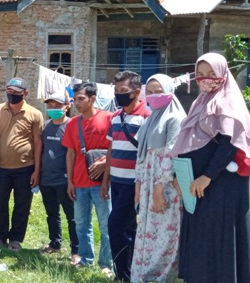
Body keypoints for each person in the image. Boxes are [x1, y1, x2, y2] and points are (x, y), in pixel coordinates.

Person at [172, 53, 250, 283]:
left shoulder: (229, 102)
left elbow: (229, 143)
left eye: (211, 74)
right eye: (201, 74)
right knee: (200, 236)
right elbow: (187, 142)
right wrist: (179, 174)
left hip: (222, 185)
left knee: (219, 237)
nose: (206, 79)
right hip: (196, 184)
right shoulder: (200, 102)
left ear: (223, 75)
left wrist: (207, 176)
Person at [131, 74, 185, 282]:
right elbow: (141, 155)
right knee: (146, 232)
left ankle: (160, 277)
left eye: (159, 91)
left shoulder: (176, 119)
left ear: (170, 91)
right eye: (150, 92)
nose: (154, 96)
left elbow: (171, 154)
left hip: (165, 186)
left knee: (164, 233)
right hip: (147, 185)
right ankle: (142, 275)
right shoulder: (149, 121)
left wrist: (159, 189)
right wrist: (138, 186)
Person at [101, 71, 151, 282]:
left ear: (137, 92)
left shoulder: (147, 117)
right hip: (117, 180)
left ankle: (122, 275)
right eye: (116, 91)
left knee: (116, 225)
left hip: (135, 182)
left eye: (124, 91)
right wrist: (106, 179)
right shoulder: (115, 116)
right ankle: (129, 273)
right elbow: (111, 149)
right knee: (128, 229)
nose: (119, 95)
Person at [61, 82, 113, 274]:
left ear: (92, 98)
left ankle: (106, 263)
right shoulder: (73, 123)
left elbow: (114, 148)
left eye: (81, 99)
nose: (77, 103)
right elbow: (70, 153)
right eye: (74, 99)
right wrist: (70, 181)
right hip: (79, 182)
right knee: (81, 224)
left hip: (102, 183)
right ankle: (86, 258)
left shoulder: (109, 119)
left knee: (106, 225)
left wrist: (106, 166)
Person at [0, 77, 43, 252]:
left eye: (16, 92)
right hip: (0, 168)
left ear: (25, 93)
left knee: (22, 204)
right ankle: (0, 236)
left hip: (25, 168)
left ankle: (15, 238)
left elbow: (38, 143)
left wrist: (37, 170)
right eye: (9, 91)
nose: (12, 95)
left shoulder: (35, 114)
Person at [38, 91, 79, 264]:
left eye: (57, 105)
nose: (53, 108)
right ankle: (55, 243)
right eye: (50, 105)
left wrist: (71, 180)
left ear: (67, 106)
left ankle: (76, 250)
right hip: (46, 179)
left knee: (72, 216)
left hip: (64, 180)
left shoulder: (72, 126)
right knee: (51, 214)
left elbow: (74, 154)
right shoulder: (46, 126)